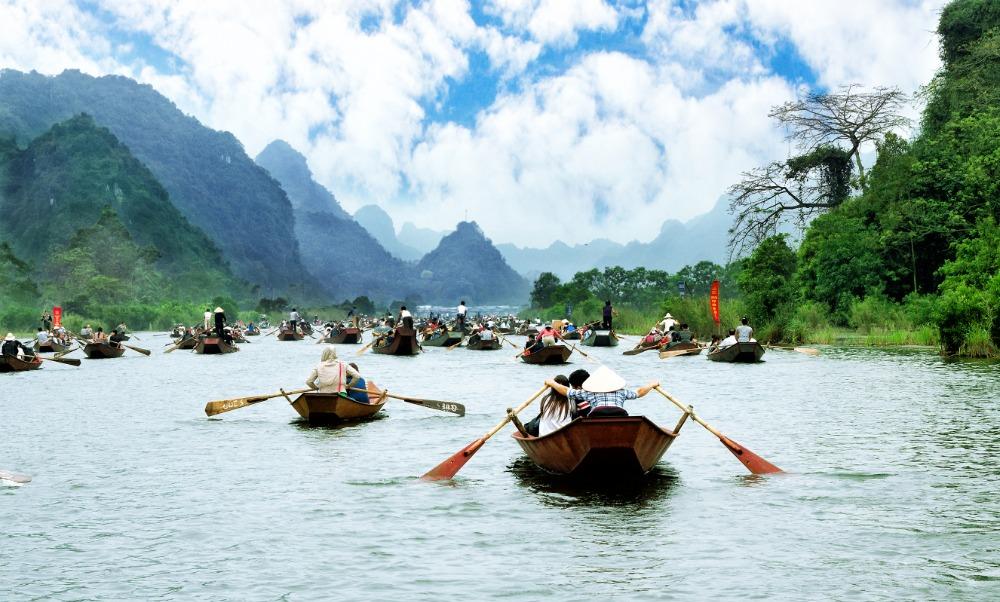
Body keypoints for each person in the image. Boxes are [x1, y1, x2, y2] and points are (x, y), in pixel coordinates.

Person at [545, 366, 658, 418]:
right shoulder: (621, 392)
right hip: (619, 419)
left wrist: (552, 383)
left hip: (596, 420)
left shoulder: (591, 393)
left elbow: (567, 391)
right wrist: (652, 384)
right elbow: (639, 392)